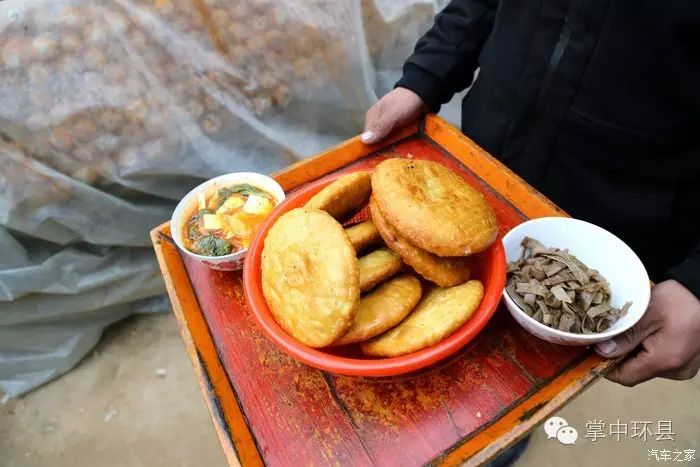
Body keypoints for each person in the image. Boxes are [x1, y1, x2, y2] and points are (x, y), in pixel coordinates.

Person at [362, 1, 700, 388]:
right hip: (479, 178)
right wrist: (425, 75)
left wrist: (697, 282)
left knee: (518, 381)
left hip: (610, 231)